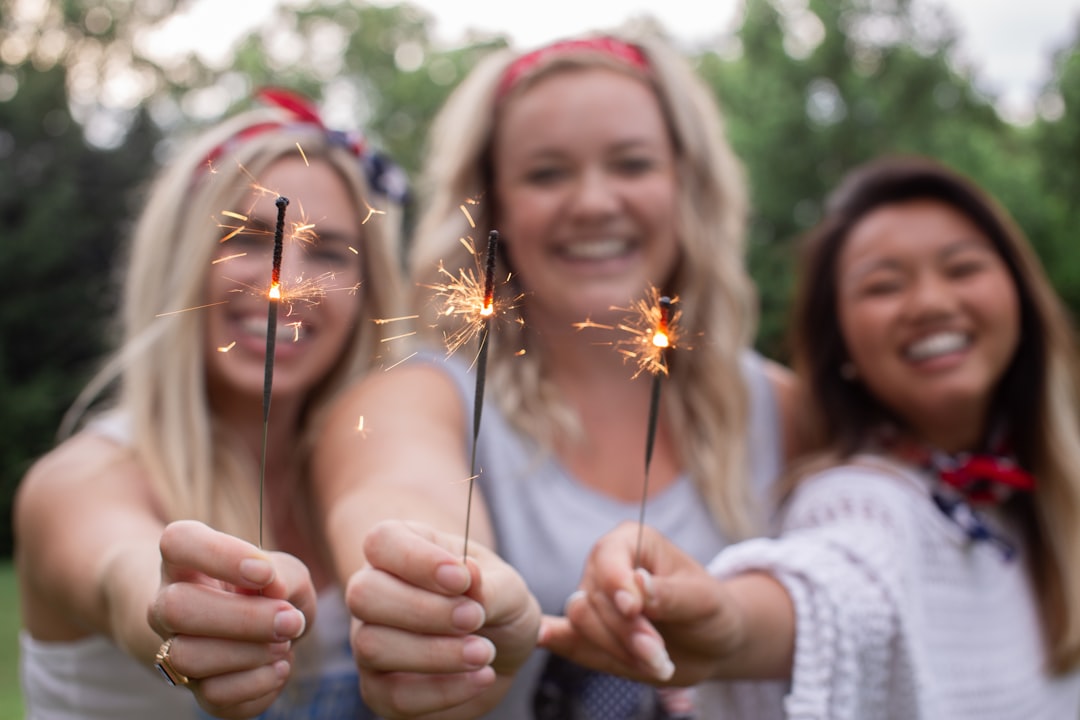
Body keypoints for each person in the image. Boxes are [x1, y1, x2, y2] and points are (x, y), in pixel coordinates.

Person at [313, 32, 806, 719]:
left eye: (631, 164)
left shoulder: (786, 411)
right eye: (546, 174)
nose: (594, 202)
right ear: (495, 207)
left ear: (687, 184)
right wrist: (444, 591)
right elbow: (399, 494)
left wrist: (733, 623)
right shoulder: (420, 397)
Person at [541, 155, 1080, 718]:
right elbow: (832, 591)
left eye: (962, 268)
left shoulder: (1047, 500)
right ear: (839, 341)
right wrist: (726, 620)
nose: (931, 303)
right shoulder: (861, 500)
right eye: (883, 285)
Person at [14, 87, 408, 719]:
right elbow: (125, 575)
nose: (288, 282)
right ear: (181, 260)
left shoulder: (372, 471)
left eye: (331, 251)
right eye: (249, 238)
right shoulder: (79, 482)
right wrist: (176, 613)